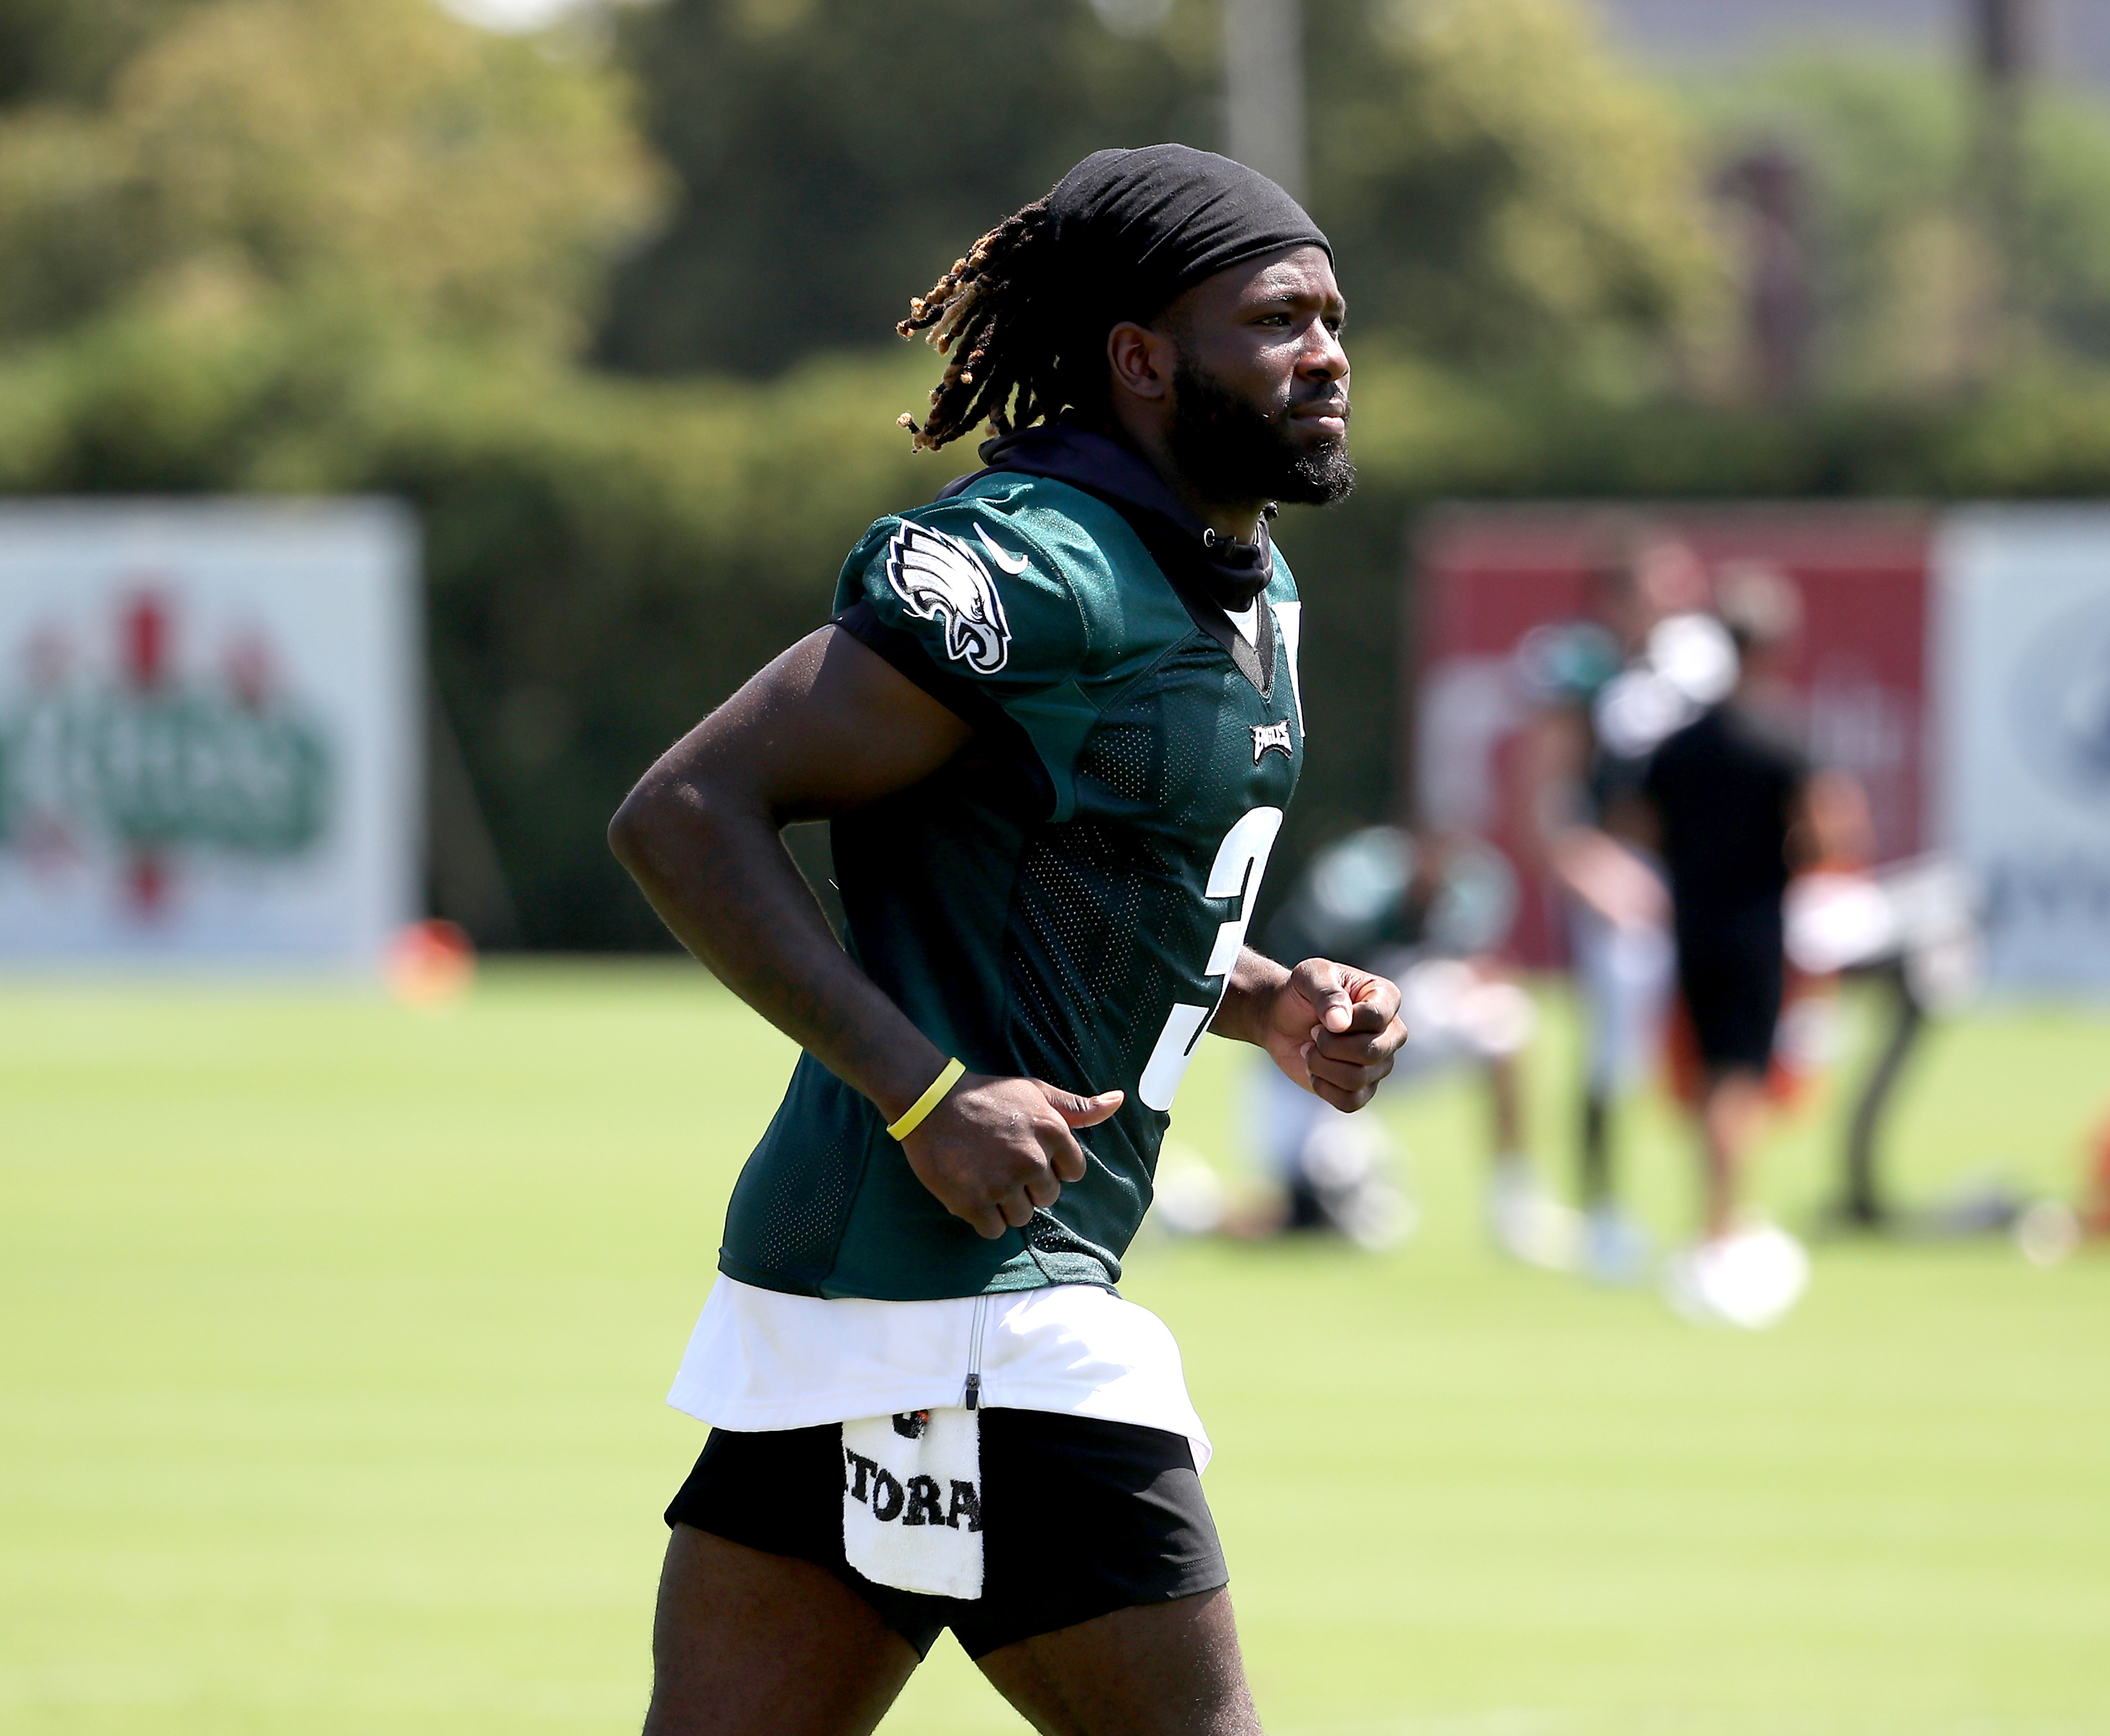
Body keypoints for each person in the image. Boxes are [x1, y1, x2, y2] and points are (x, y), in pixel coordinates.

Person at [607, 145, 1407, 1736]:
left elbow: (1084, 885)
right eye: (1274, 318)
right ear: (1141, 358)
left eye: (1331, 314)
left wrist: (1265, 1003)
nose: (1325, 352)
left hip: (849, 1313)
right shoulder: (1033, 562)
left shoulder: (1246, 584)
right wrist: (924, 1092)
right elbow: (685, 810)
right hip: (983, 1310)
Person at [1510, 519, 1719, 1280]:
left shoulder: (1701, 659)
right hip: (1622, 871)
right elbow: (1544, 799)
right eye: (1663, 581)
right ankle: (1602, 1212)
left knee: (1720, 1040)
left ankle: (1718, 1216)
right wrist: (1592, 871)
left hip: (1700, 874)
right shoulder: (1579, 666)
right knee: (1614, 1049)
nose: (1682, 595)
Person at [1642, 564, 1847, 1328]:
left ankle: (1717, 1215)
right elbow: (1825, 834)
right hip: (1757, 926)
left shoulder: (1682, 743)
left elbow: (1642, 825)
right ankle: (1720, 1226)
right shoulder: (1784, 738)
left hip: (1692, 924)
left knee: (1711, 1078)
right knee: (1739, 1080)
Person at [1245, 825, 1554, 1258]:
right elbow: (1301, 969)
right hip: (1310, 1049)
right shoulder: (1359, 883)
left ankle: (1514, 1199)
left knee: (1505, 1022)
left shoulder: (1472, 884)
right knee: (1325, 1209)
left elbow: (1485, 969)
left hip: (1401, 1039)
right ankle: (1195, 1214)